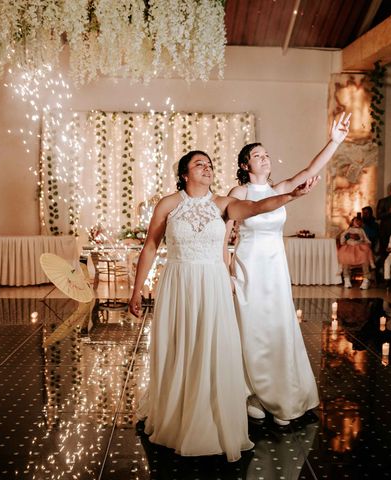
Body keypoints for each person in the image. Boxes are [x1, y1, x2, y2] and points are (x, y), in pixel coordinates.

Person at [128, 150, 320, 462]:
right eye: (198, 164)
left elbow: (257, 207)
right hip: (179, 283)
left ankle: (208, 413)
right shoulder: (168, 203)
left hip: (213, 284)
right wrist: (136, 291)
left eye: (210, 164)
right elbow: (150, 245)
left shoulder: (222, 203)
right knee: (181, 346)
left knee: (211, 346)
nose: (207, 168)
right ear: (184, 174)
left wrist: (291, 197)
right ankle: (177, 412)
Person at [225, 112, 350, 427]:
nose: (265, 159)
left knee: (277, 327)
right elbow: (223, 236)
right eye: (257, 156)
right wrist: (225, 270)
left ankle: (281, 394)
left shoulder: (279, 188)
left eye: (267, 155)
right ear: (245, 165)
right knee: (251, 328)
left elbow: (310, 170)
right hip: (247, 267)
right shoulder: (238, 194)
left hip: (275, 268)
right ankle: (250, 393)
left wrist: (334, 141)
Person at [338, 216, 374, 290]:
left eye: (359, 221)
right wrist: (348, 236)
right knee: (346, 258)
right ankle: (347, 278)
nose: (358, 222)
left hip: (359, 248)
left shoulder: (361, 230)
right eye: (356, 221)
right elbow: (342, 239)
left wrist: (359, 238)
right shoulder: (348, 230)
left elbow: (366, 240)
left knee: (365, 257)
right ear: (352, 222)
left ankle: (366, 280)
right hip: (349, 248)